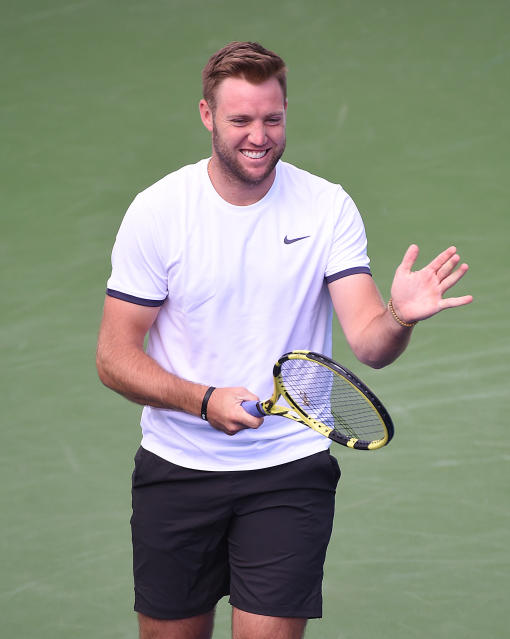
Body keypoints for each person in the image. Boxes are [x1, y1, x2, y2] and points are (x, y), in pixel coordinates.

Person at [95, 41, 474, 639]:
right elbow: (114, 358)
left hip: (287, 468)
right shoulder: (158, 212)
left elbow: (369, 345)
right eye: (241, 119)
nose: (259, 135)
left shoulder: (327, 208)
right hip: (177, 469)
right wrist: (203, 399)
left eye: (272, 119)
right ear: (206, 116)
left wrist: (399, 316)